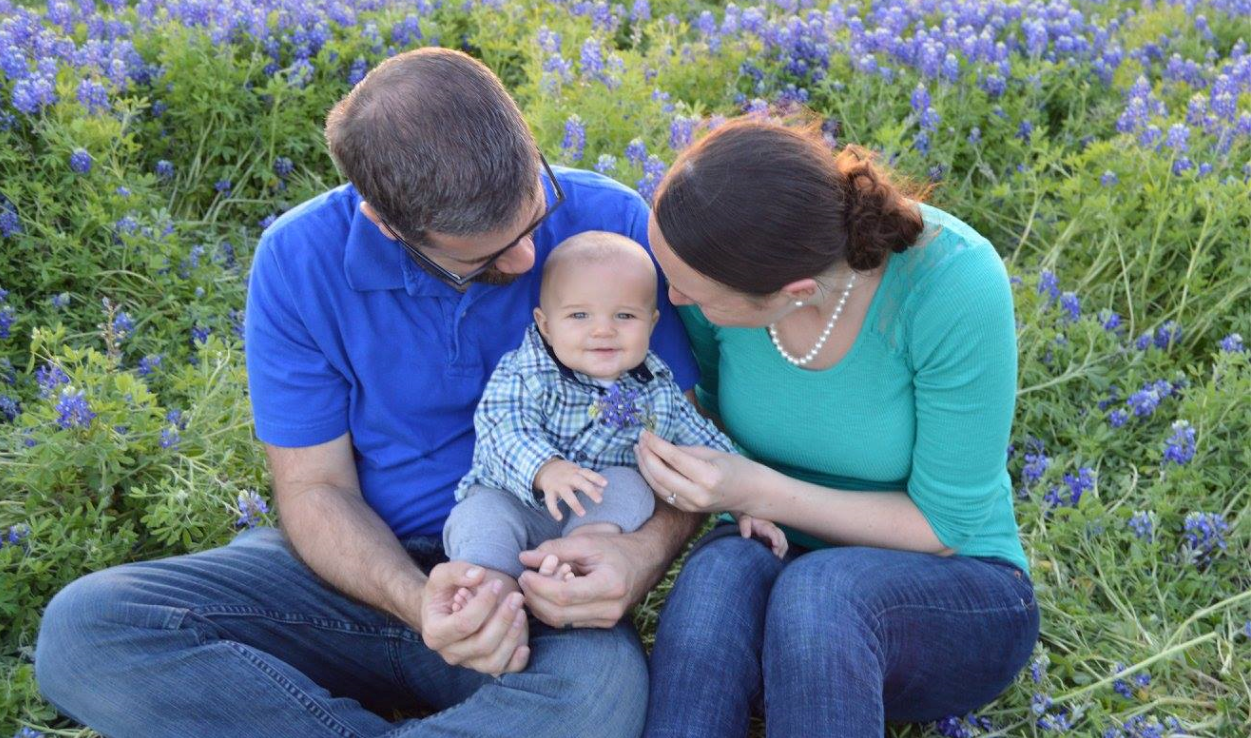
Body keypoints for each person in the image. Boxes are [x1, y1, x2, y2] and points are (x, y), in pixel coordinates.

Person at [34, 47, 704, 738]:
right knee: (88, 630)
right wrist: (418, 602)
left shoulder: (610, 225)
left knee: (595, 698)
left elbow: (686, 435)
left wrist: (639, 553)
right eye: (481, 257)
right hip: (358, 578)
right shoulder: (299, 260)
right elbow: (315, 487)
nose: (526, 261)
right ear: (387, 225)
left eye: (533, 220)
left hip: (539, 576)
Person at [634, 114, 1039, 736]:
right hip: (771, 540)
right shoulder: (708, 270)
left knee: (821, 594)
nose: (675, 300)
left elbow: (945, 526)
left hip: (956, 582)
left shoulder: (952, 283)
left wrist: (754, 490)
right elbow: (709, 413)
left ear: (794, 291)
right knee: (715, 581)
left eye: (694, 293)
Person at [444, 231, 785, 600]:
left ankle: (581, 559)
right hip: (516, 501)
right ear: (546, 324)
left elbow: (701, 440)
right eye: (579, 315)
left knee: (626, 484)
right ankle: (489, 588)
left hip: (593, 514)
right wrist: (547, 468)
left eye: (624, 315)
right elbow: (501, 427)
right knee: (480, 515)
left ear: (652, 324)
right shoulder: (527, 371)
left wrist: (743, 501)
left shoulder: (655, 386)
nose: (603, 329)